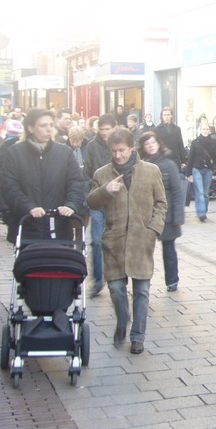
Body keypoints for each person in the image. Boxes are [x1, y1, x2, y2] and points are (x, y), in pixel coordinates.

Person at [87, 127, 167, 355]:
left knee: (141, 291)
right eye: (114, 151)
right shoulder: (102, 173)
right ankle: (122, 320)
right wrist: (105, 190)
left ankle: (138, 337)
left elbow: (161, 203)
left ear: (132, 148)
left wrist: (154, 229)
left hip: (142, 240)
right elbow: (91, 202)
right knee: (116, 288)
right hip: (115, 241)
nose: (118, 155)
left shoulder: (151, 171)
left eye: (122, 150)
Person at [0, 107, 85, 244]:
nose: (49, 129)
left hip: (59, 225)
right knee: (30, 264)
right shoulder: (15, 153)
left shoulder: (64, 153)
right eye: (43, 125)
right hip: (27, 225)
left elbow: (76, 182)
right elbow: (9, 186)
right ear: (31, 128)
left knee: (61, 263)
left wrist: (71, 205)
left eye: (51, 125)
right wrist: (28, 207)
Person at [138, 130, 184, 293]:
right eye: (147, 144)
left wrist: (178, 216)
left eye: (153, 143)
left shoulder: (168, 165)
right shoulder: (140, 164)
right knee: (144, 250)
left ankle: (172, 280)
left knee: (169, 250)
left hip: (167, 214)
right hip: (145, 214)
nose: (150, 146)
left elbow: (177, 191)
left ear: (158, 144)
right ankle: (143, 280)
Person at [84, 114, 117, 296]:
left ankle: (117, 277)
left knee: (117, 241)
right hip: (97, 200)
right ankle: (98, 279)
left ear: (114, 127)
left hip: (117, 200)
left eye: (107, 129)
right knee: (97, 241)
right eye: (102, 129)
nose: (104, 133)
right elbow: (87, 173)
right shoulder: (91, 146)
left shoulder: (120, 143)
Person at [186, 122, 216, 222]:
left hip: (208, 170)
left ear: (209, 131)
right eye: (203, 129)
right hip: (197, 169)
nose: (205, 131)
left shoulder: (213, 143)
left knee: (206, 193)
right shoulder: (195, 142)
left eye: (207, 129)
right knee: (200, 192)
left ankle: (204, 212)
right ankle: (200, 212)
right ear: (200, 130)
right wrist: (187, 173)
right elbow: (191, 157)